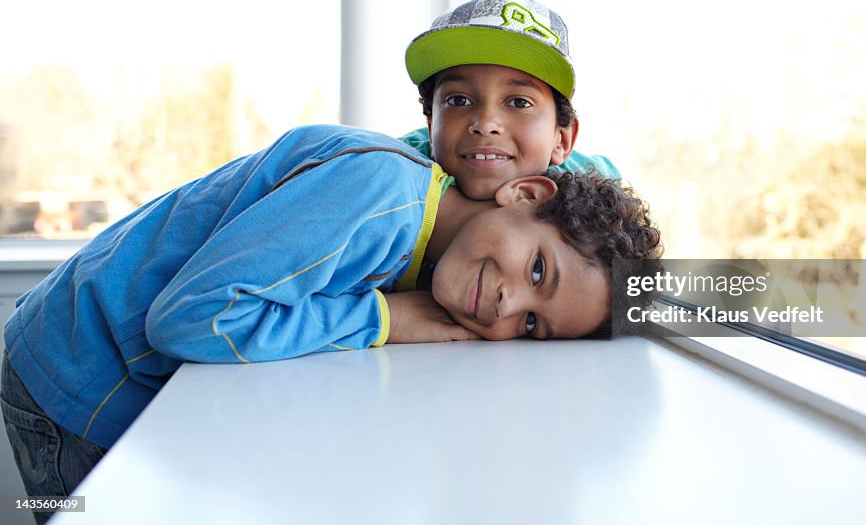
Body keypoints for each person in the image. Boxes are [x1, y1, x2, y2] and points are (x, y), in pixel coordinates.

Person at [1, 123, 661, 518]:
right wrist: (380, 319)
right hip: (73, 382)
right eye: (538, 271)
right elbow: (190, 322)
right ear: (526, 192)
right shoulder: (380, 199)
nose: (506, 305)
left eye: (531, 328)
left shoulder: (421, 230)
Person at [400, 0, 621, 201]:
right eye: (458, 100)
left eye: (519, 102)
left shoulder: (591, 184)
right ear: (431, 126)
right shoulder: (398, 171)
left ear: (561, 141)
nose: (485, 124)